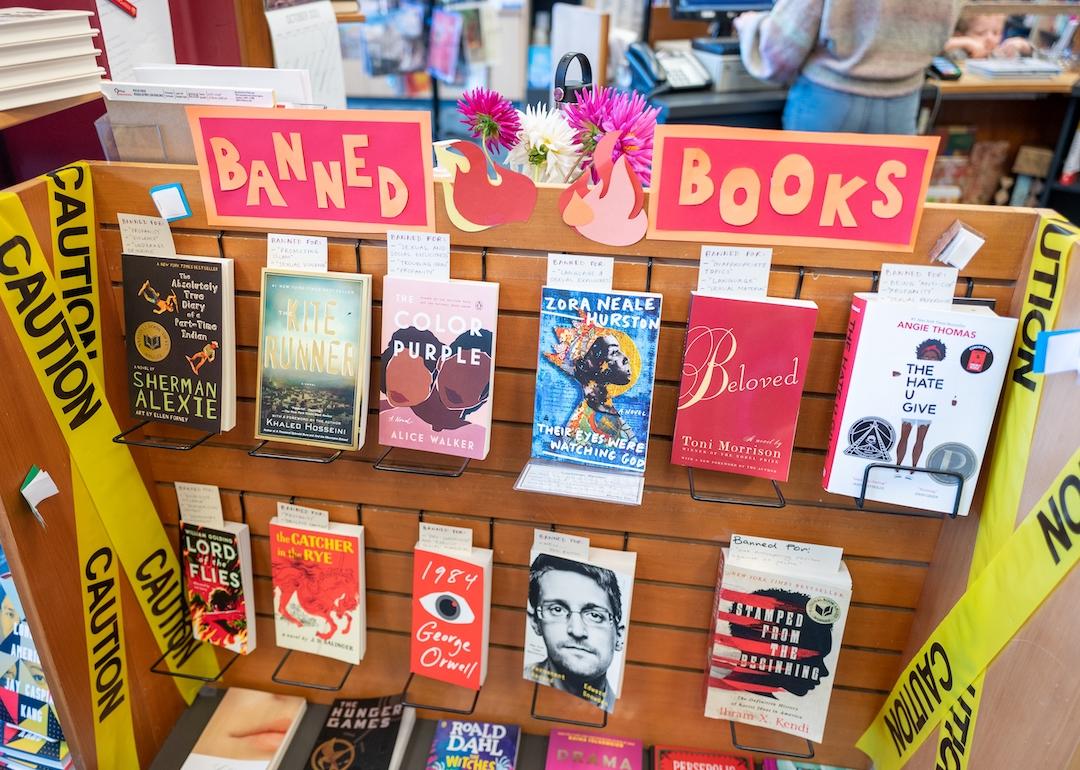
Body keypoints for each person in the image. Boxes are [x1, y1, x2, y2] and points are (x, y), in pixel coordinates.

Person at [734, 0, 961, 134]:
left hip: (827, 101)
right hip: (902, 103)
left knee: (807, 207)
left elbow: (784, 45)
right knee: (884, 212)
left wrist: (751, 25)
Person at [524, 554, 626, 712]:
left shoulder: (625, 709)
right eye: (557, 610)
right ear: (535, 622)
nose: (577, 631)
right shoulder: (516, 688)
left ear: (619, 636)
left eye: (595, 615)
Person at [944, 13, 1033, 59]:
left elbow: (1038, 55)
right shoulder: (959, 54)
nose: (990, 38)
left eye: (996, 33)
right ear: (959, 35)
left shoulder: (999, 54)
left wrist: (1023, 46)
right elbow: (934, 50)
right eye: (980, 33)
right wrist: (964, 42)